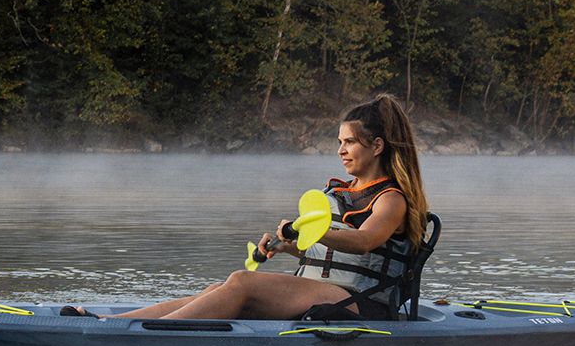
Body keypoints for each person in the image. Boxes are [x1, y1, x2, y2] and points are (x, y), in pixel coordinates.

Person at [116, 95, 433, 323]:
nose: (340, 150)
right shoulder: (346, 191)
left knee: (242, 282)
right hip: (332, 293)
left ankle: (150, 335)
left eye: (349, 142)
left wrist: (317, 232)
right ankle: (112, 322)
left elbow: (365, 242)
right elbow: (337, 258)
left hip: (362, 306)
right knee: (220, 288)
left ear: (377, 146)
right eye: (340, 141)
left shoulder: (391, 199)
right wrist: (288, 247)